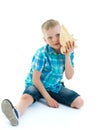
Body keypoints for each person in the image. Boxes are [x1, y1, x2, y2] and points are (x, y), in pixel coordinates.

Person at [1, 19, 84, 126]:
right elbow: (35, 79)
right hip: (36, 85)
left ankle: (44, 95)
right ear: (45, 40)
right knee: (27, 97)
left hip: (54, 86)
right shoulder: (41, 53)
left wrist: (67, 56)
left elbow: (69, 76)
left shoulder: (68, 52)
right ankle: (15, 112)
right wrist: (48, 99)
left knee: (79, 102)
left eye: (58, 35)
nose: (55, 39)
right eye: (50, 37)